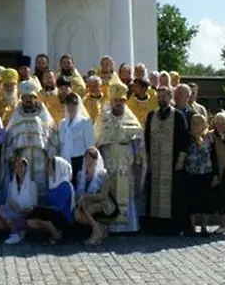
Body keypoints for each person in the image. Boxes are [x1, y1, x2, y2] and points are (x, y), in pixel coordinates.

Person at [94, 82, 145, 233]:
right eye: (116, 101)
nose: (118, 104)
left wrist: (137, 158)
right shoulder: (103, 119)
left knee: (126, 192)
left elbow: (138, 139)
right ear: (111, 102)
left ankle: (128, 226)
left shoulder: (130, 119)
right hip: (109, 161)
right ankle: (110, 224)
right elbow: (97, 140)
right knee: (109, 191)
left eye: (121, 101)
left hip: (125, 161)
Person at [143, 86, 190, 236]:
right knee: (154, 193)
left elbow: (184, 140)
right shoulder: (151, 116)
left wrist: (180, 161)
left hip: (172, 164)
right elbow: (146, 138)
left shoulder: (178, 116)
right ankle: (155, 225)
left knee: (173, 195)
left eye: (164, 97)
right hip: (155, 163)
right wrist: (148, 159)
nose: (161, 99)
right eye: (159, 97)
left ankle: (172, 227)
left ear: (170, 97)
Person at [2, 80, 58, 201]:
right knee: (24, 185)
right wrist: (11, 153)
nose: (28, 100)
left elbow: (52, 135)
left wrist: (52, 153)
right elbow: (11, 137)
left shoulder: (43, 115)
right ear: (22, 98)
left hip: (41, 157)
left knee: (41, 184)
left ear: (36, 98)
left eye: (31, 97)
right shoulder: (16, 116)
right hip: (22, 157)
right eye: (26, 97)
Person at [73, 147, 119, 245]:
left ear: (95, 159)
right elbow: (78, 194)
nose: (87, 160)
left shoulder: (103, 175)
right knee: (78, 216)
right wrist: (77, 206)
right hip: (85, 202)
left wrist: (86, 197)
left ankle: (96, 234)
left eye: (90, 158)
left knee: (86, 205)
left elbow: (102, 196)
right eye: (86, 158)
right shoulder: (81, 174)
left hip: (103, 203)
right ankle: (100, 228)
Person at [26, 156, 74, 245]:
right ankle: (55, 232)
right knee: (31, 221)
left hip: (64, 217)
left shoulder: (65, 185)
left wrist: (43, 209)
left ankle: (56, 235)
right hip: (53, 214)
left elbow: (60, 207)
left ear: (57, 169)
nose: (47, 169)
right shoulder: (52, 183)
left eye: (49, 166)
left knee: (40, 212)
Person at [184, 114, 218, 236]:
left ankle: (204, 227)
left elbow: (215, 157)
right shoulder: (187, 138)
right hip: (191, 173)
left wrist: (215, 175)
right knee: (192, 202)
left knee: (206, 201)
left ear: (204, 124)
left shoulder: (210, 138)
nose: (196, 125)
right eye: (194, 123)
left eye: (199, 123)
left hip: (206, 173)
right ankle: (192, 228)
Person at [0, 157, 37, 245]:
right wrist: (13, 205)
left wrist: (23, 209)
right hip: (13, 212)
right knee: (1, 208)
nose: (19, 169)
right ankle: (16, 233)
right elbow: (8, 200)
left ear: (26, 168)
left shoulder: (32, 184)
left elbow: (35, 205)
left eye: (21, 166)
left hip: (26, 213)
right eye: (16, 167)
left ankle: (16, 232)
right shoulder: (11, 184)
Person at [58, 92, 94, 186]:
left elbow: (90, 144)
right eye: (68, 104)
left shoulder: (85, 121)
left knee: (80, 185)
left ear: (78, 105)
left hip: (80, 160)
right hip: (66, 159)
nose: (70, 107)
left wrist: (89, 164)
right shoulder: (62, 123)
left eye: (73, 104)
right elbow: (61, 142)